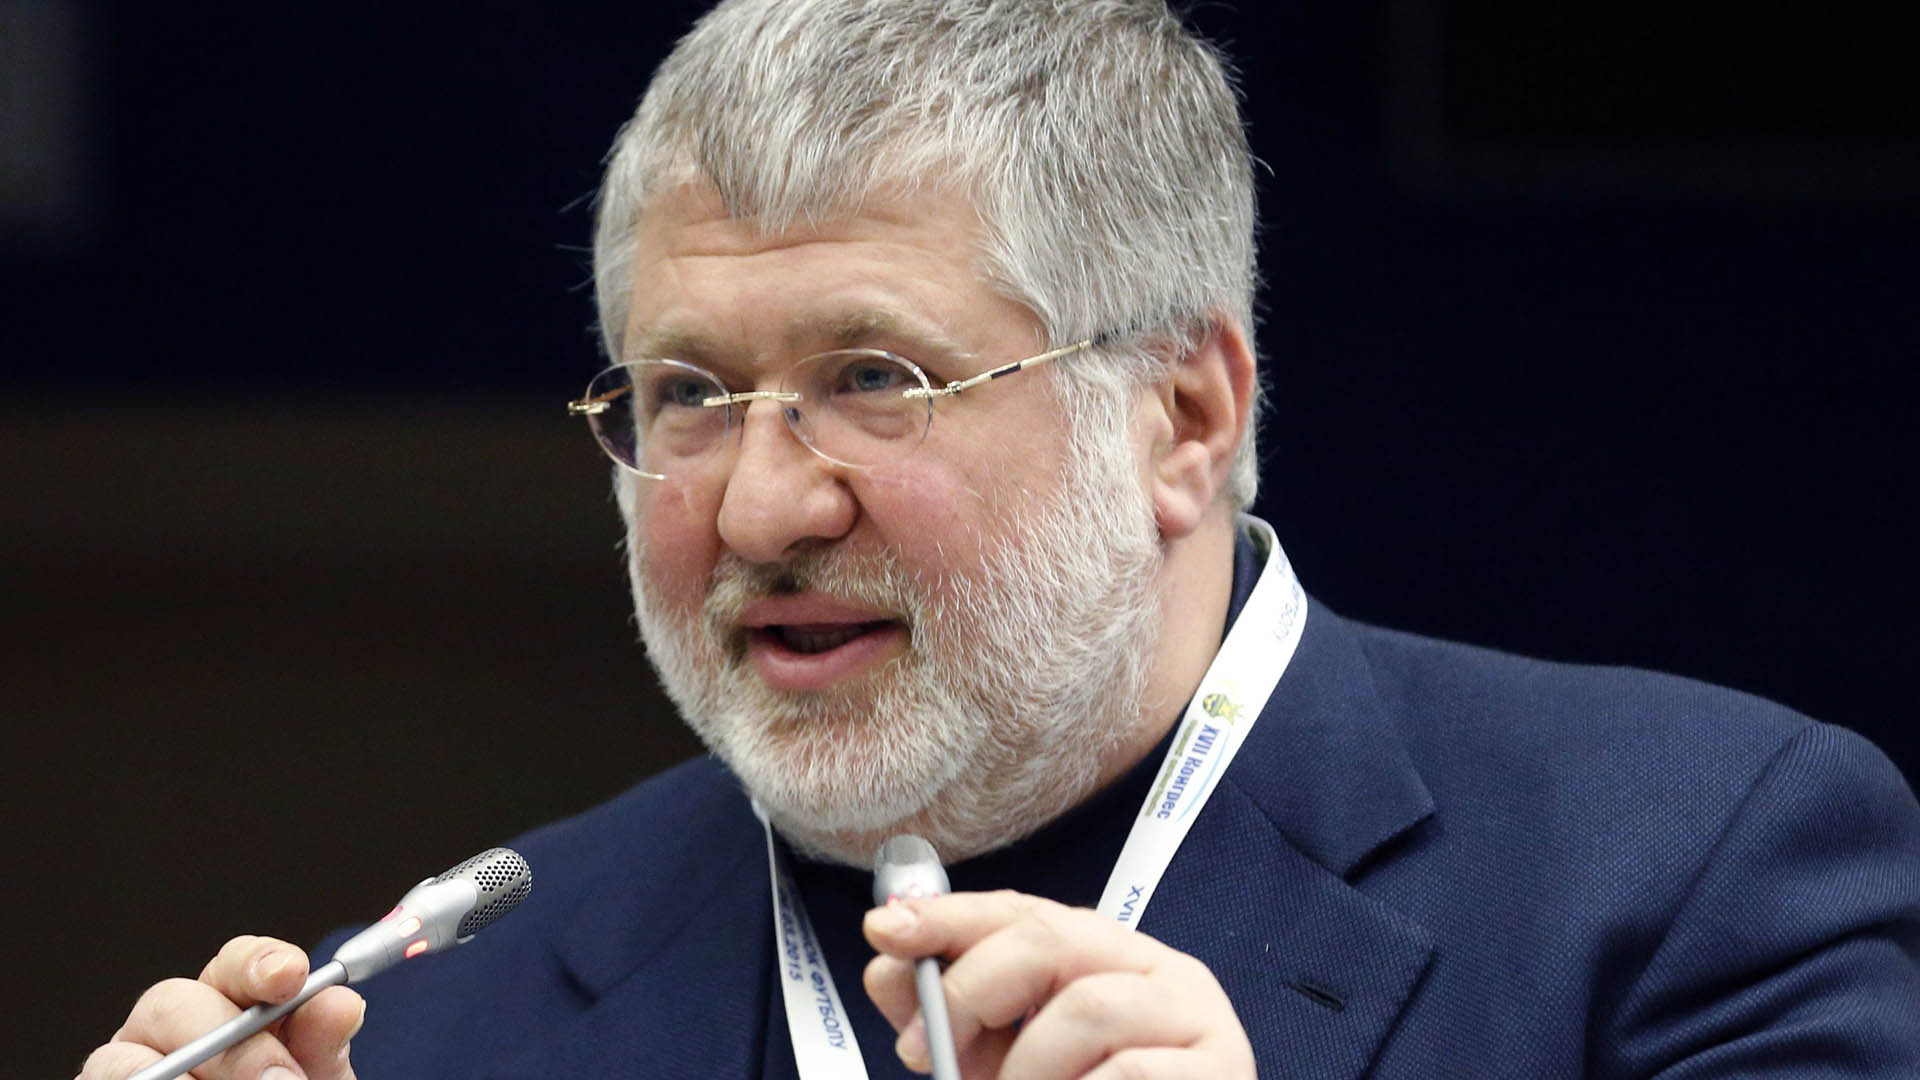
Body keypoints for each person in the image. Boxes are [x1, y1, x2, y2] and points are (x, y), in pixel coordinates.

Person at [80, 1, 1920, 1077]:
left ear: (1183, 417)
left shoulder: (1698, 878)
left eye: (876, 376)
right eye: (688, 394)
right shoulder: (439, 1024)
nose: (760, 504)